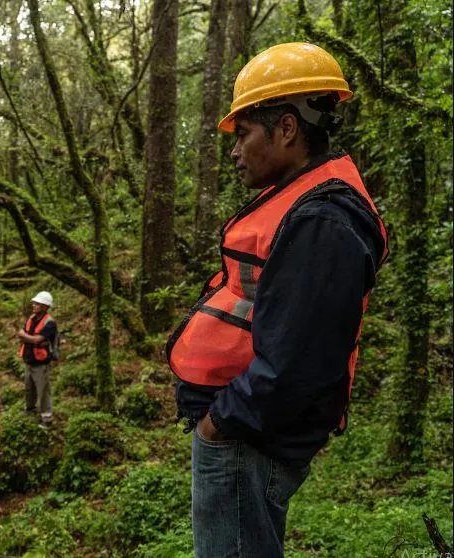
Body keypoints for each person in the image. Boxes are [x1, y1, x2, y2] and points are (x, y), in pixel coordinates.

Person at [165, 43, 388, 557]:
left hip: (246, 440)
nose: (234, 150)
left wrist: (219, 424)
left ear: (286, 129)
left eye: (243, 134)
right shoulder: (301, 201)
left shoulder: (323, 221)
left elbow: (299, 365)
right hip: (242, 435)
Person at [17, 291, 57, 427]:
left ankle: (47, 419)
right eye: (34, 303)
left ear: (45, 307)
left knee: (43, 391)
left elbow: (37, 340)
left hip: (41, 364)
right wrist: (29, 338)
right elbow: (21, 333)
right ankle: (30, 411)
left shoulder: (49, 323)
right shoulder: (32, 318)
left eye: (37, 304)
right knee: (29, 389)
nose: (33, 305)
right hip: (29, 360)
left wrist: (27, 338)